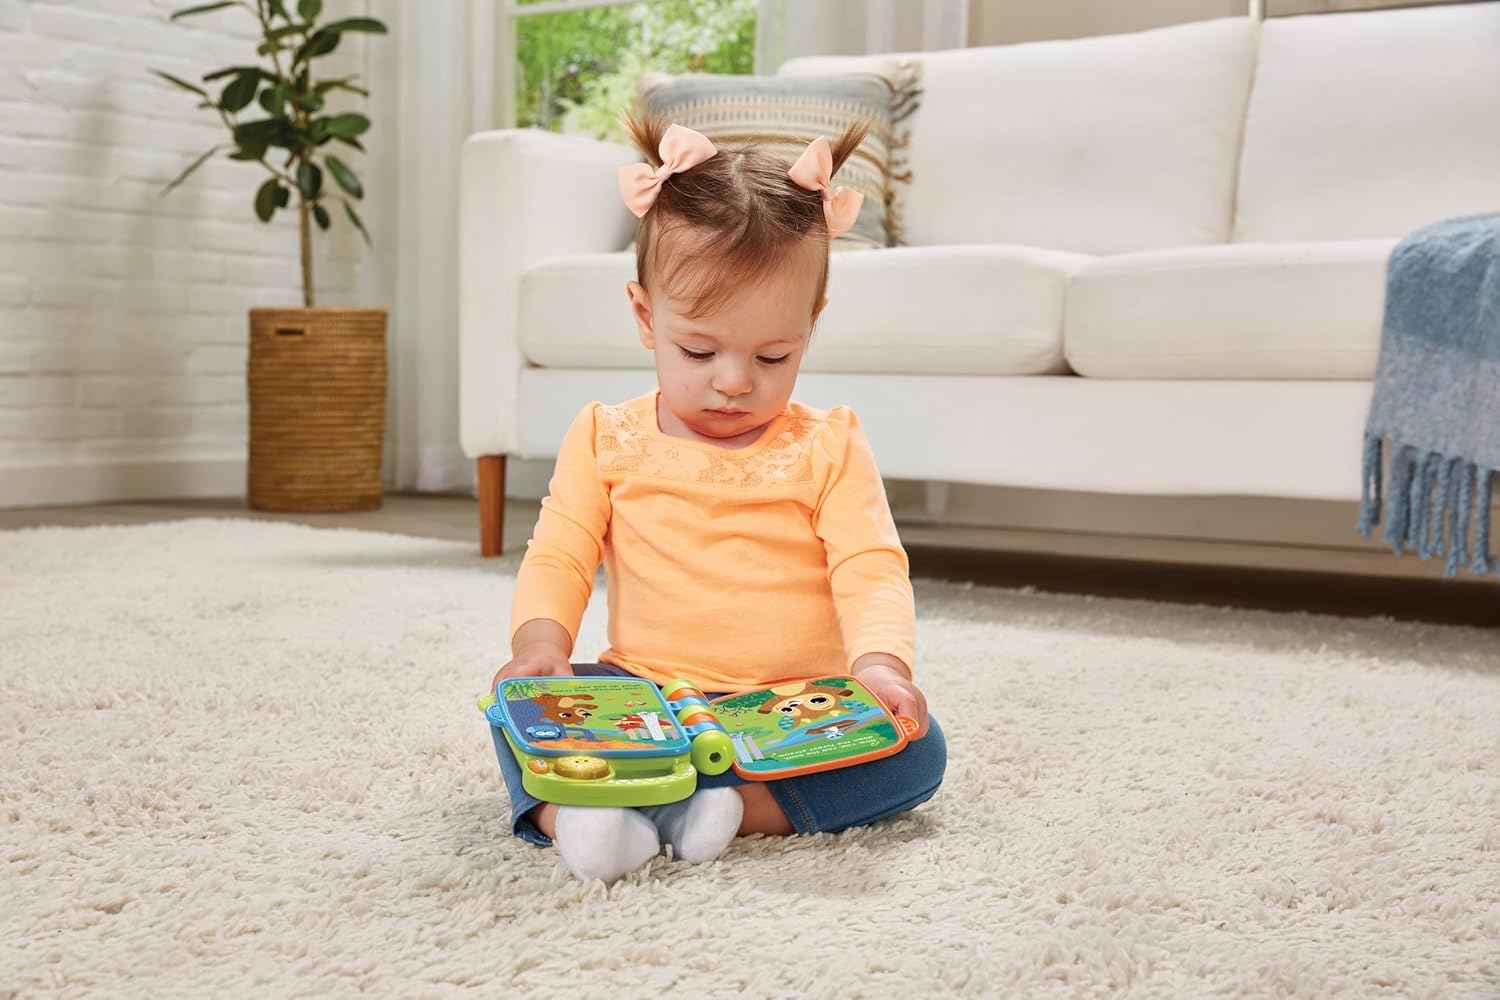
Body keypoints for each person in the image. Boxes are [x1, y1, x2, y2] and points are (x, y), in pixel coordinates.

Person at [488, 114, 947, 883]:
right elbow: (560, 554)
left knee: (918, 751)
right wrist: (539, 647)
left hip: (792, 711)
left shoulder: (829, 443)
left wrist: (879, 666)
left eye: (773, 356)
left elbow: (869, 567)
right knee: (519, 710)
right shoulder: (605, 436)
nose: (734, 381)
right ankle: (580, 819)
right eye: (699, 351)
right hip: (645, 698)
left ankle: (710, 806)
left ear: (810, 327)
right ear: (646, 317)